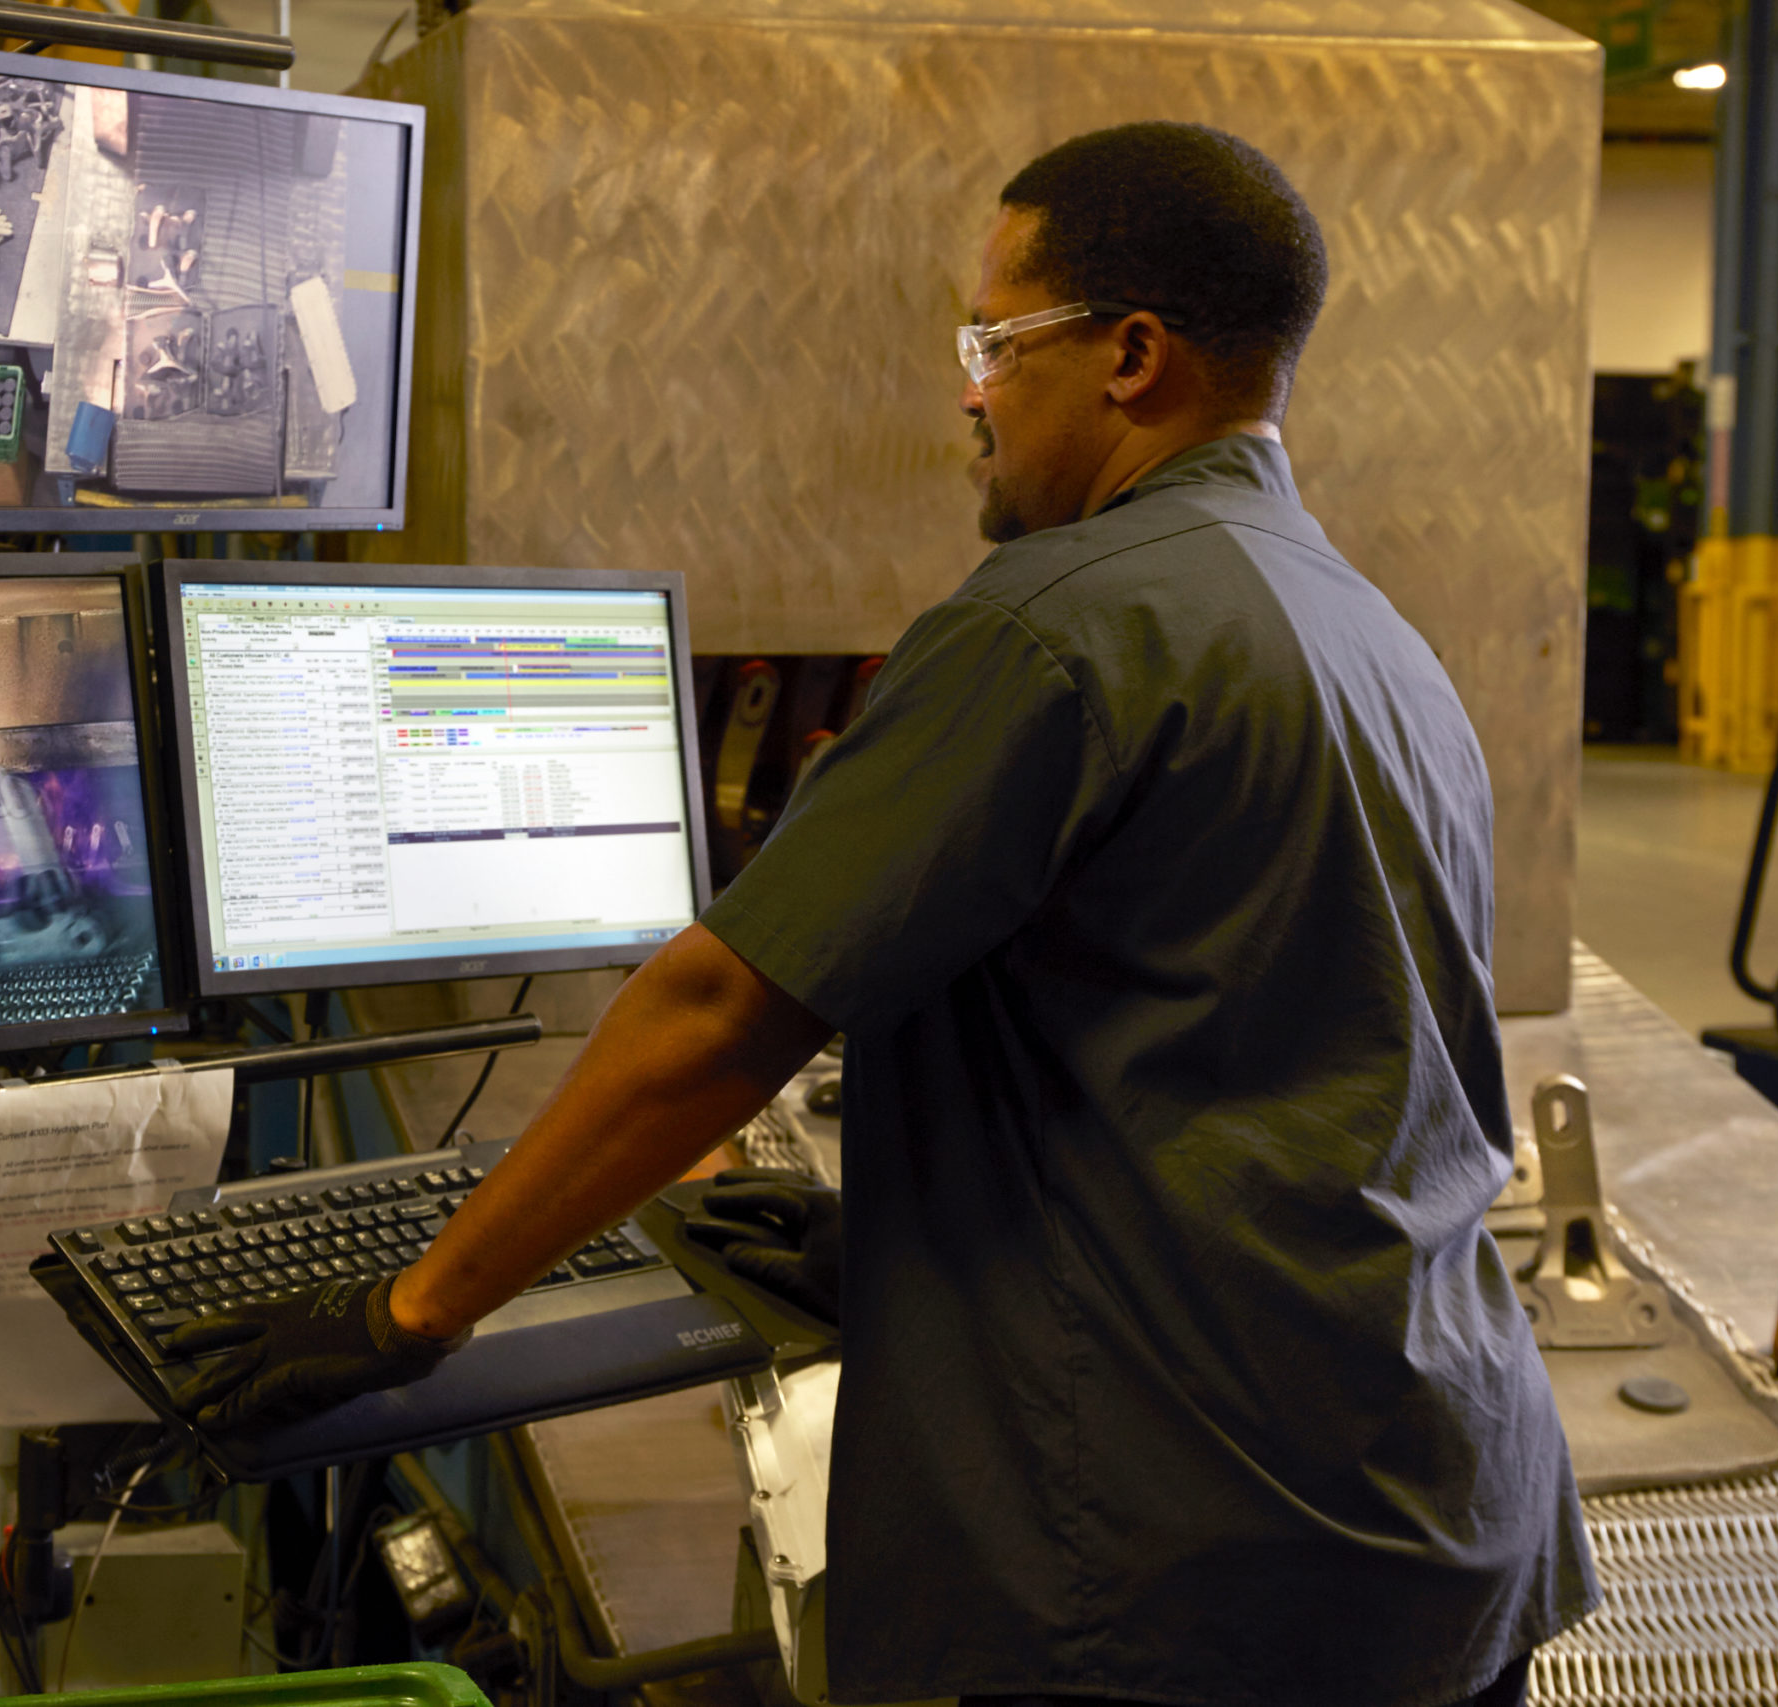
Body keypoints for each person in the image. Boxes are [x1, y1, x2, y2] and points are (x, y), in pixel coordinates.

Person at [163, 122, 1599, 1707]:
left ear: (1131, 355)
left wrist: (408, 1309)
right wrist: (907, 1243)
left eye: (996, 340)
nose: (968, 389)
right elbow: (1277, 1071)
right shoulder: (1372, 635)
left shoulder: (1059, 625)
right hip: (1442, 1520)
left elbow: (721, 1014)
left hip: (1195, 1573)